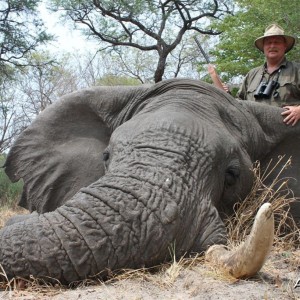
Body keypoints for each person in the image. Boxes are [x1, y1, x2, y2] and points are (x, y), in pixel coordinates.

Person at [236, 24, 300, 126]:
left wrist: (299, 110)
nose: (272, 46)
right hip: (255, 135)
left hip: (289, 137)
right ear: (263, 47)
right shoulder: (252, 74)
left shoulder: (297, 70)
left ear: (285, 46)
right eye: (268, 43)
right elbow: (238, 103)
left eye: (277, 42)